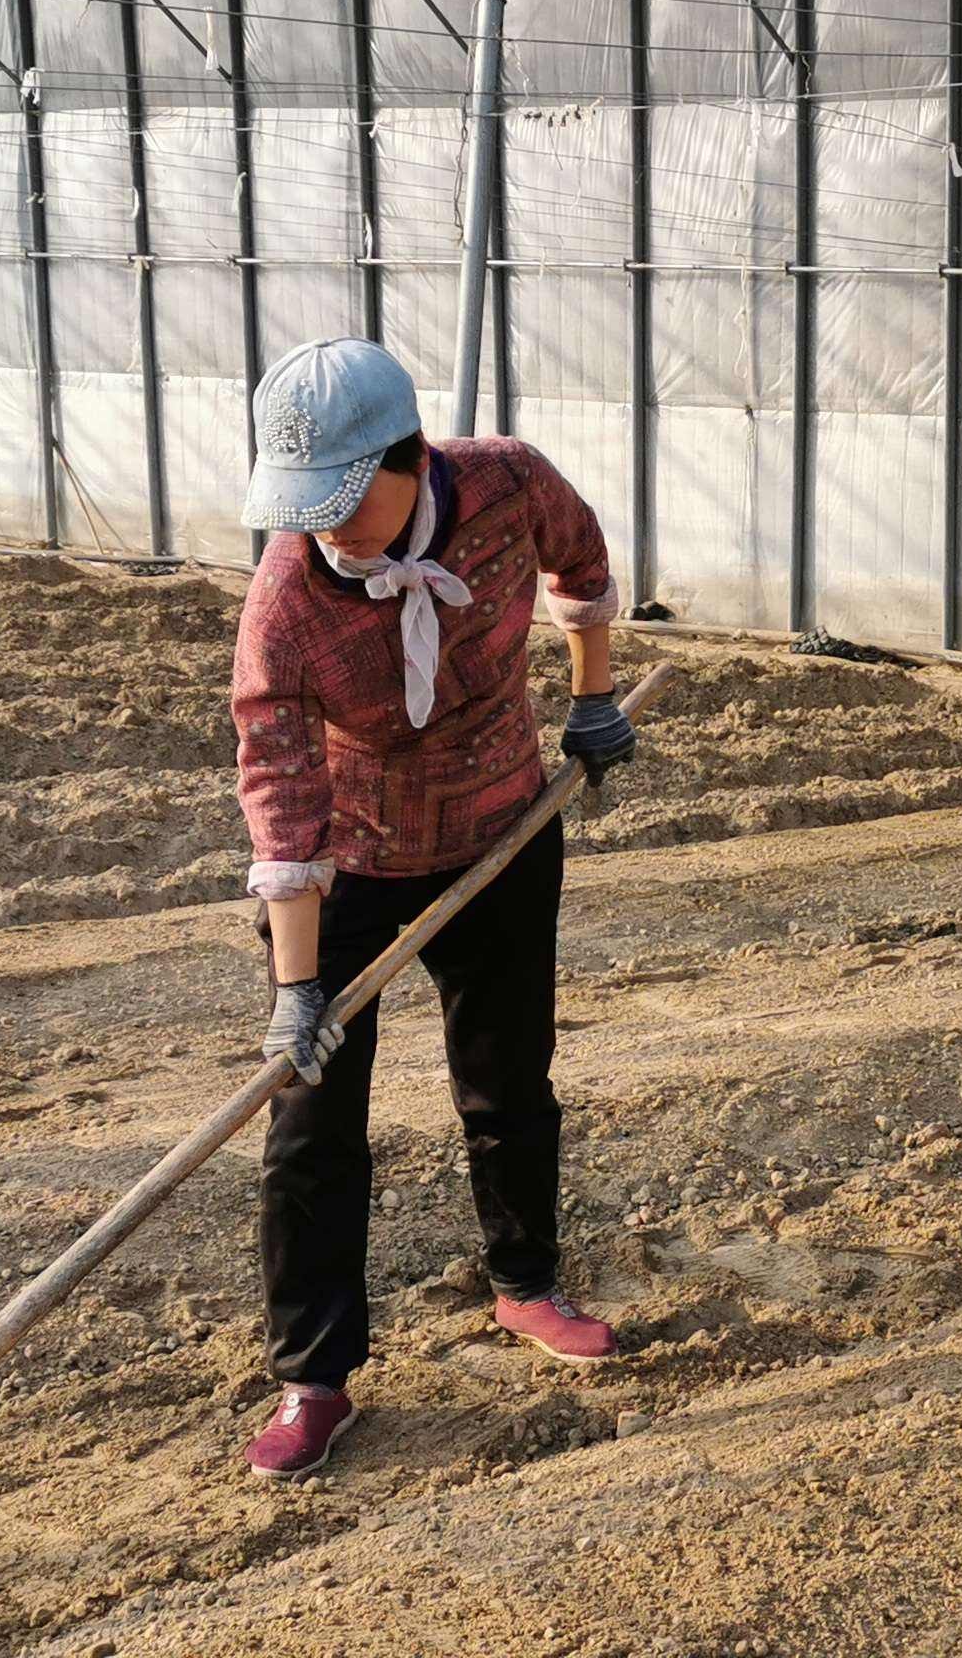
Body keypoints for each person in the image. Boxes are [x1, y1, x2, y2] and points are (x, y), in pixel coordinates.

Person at [226, 337, 640, 1481]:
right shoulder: (289, 601)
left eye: (347, 500)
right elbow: (281, 791)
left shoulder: (506, 483)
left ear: (413, 459)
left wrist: (593, 699)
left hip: (504, 830)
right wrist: (301, 985)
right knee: (310, 1125)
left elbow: (582, 556)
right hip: (349, 868)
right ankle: (316, 1379)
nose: (327, 527)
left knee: (509, 1078)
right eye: (305, 506)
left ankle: (524, 1285)